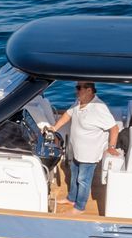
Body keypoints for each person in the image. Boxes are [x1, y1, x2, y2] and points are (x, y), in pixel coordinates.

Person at [45, 81, 120, 214]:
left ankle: (80, 207)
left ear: (89, 90)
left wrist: (111, 147)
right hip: (76, 149)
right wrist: (54, 128)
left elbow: (114, 128)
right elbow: (68, 114)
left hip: (89, 153)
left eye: (79, 88)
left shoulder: (99, 108)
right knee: (74, 175)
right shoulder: (79, 101)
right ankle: (71, 198)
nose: (76, 90)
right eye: (77, 87)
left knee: (83, 180)